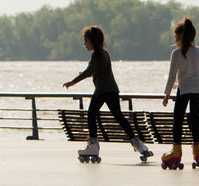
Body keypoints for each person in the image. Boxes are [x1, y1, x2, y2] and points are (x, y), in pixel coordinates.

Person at [63, 25, 153, 161]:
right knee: (119, 116)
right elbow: (96, 70)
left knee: (91, 114)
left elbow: (89, 71)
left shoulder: (96, 56)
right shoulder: (104, 54)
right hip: (112, 90)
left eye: (85, 41)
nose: (84, 44)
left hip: (102, 91)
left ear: (92, 41)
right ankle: (137, 143)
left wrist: (73, 82)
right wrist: (88, 73)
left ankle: (93, 144)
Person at [161, 17, 199, 169]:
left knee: (178, 119)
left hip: (184, 90)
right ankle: (198, 153)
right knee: (194, 118)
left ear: (179, 38)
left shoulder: (176, 53)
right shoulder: (197, 51)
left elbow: (172, 76)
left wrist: (166, 95)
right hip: (198, 90)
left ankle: (176, 151)